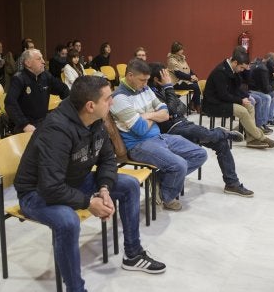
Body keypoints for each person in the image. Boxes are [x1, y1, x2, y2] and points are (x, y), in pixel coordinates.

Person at [14, 75, 166, 292]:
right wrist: (88, 202)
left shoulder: (96, 121)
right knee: (67, 221)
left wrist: (103, 187)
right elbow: (50, 187)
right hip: (37, 193)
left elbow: (108, 159)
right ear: (90, 105)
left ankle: (132, 254)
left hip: (73, 181)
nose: (112, 102)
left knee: (129, 185)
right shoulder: (56, 130)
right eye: (108, 99)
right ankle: (75, 289)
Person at [110, 59, 207, 211]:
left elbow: (166, 113)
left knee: (200, 154)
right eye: (142, 80)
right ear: (130, 76)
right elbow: (140, 129)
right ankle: (165, 196)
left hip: (159, 137)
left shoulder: (145, 88)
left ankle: (158, 183)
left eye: (147, 80)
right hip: (138, 145)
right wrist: (155, 114)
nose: (145, 84)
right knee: (179, 165)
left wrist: (146, 115)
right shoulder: (119, 98)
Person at [148, 63, 253, 197]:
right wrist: (170, 99)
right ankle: (221, 132)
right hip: (170, 131)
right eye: (165, 75)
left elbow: (181, 107)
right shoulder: (151, 93)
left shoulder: (164, 89)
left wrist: (171, 110)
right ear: (157, 79)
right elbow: (172, 110)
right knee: (203, 133)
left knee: (221, 143)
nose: (169, 78)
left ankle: (232, 183)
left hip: (182, 123)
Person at [203, 49, 274, 149]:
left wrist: (244, 97)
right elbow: (223, 95)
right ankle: (261, 137)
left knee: (249, 106)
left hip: (223, 101)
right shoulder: (220, 72)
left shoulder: (232, 70)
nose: (242, 70)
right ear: (235, 62)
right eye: (242, 68)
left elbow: (238, 87)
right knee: (242, 111)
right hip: (214, 104)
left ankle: (251, 140)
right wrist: (240, 100)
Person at [5, 48, 69, 133]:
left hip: (43, 121)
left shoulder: (46, 76)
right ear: (28, 63)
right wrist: (25, 125)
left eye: (42, 58)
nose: (43, 61)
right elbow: (10, 103)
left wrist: (73, 107)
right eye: (39, 59)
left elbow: (63, 89)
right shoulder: (19, 79)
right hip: (24, 124)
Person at [166, 41, 201, 113]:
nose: (183, 51)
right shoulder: (171, 60)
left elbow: (188, 69)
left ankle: (192, 103)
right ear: (176, 51)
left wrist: (194, 75)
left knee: (198, 84)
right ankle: (197, 105)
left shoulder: (182, 58)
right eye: (181, 49)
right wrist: (191, 77)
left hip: (184, 80)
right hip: (176, 83)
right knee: (196, 87)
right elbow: (178, 74)